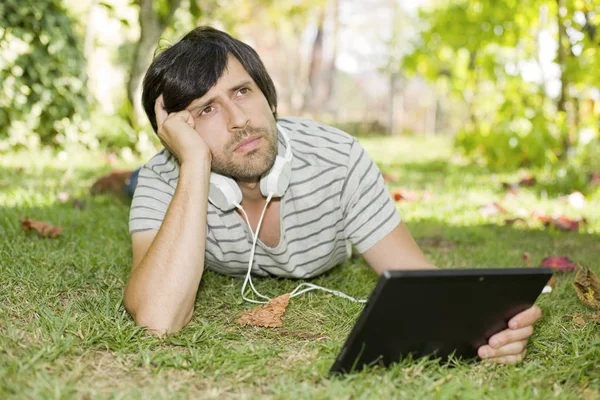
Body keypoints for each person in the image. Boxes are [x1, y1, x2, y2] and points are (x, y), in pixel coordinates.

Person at [123, 26, 541, 365]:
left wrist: (495, 326)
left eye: (242, 92)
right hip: (171, 173)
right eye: (206, 109)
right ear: (177, 131)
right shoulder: (166, 176)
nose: (239, 121)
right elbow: (159, 319)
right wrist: (193, 165)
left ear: (267, 95)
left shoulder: (340, 160)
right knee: (131, 186)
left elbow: (417, 280)